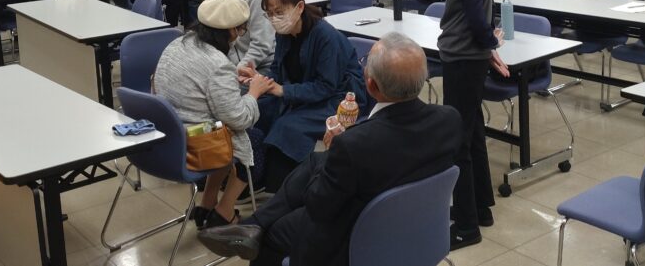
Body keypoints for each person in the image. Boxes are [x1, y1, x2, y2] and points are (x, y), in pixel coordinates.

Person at [197, 32, 463, 266]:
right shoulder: (449, 119)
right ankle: (253, 224)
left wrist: (335, 152)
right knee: (316, 160)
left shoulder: (355, 144)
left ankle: (257, 227)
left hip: (358, 233)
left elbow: (319, 206)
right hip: (419, 224)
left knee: (274, 231)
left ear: (371, 86)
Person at [413, 0, 509, 251]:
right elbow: (481, 15)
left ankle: (467, 226)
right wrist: (489, 49)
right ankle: (480, 208)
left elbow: (477, 18)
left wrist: (488, 47)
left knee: (458, 142)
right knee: (473, 135)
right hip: (471, 57)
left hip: (464, 59)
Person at [153, 0, 276, 229]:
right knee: (252, 140)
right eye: (240, 30)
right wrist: (254, 92)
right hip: (194, 142)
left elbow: (201, 82)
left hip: (169, 138)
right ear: (229, 30)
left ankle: (207, 203)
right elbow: (239, 118)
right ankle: (224, 212)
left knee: (223, 130)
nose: (239, 36)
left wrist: (231, 78)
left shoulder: (178, 43)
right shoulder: (218, 64)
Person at [243, 0, 365, 193]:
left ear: (299, 7)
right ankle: (254, 175)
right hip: (304, 90)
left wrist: (283, 91)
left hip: (339, 99)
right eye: (269, 14)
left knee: (288, 126)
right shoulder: (284, 32)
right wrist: (261, 80)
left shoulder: (326, 37)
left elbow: (326, 86)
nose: (274, 19)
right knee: (259, 110)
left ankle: (281, 188)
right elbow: (278, 69)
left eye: (279, 12)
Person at [196, 0, 276, 76]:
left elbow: (261, 44)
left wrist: (237, 71)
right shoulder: (212, 4)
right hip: (230, 64)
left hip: (261, 66)